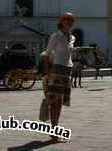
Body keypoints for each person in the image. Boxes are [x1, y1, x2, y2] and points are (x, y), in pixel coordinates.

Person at [43, 12, 75, 144]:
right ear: (61, 22)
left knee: (60, 103)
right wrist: (47, 72)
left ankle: (54, 133)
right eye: (66, 19)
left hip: (67, 72)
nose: (69, 22)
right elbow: (47, 54)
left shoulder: (72, 37)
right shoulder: (55, 36)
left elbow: (69, 55)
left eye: (71, 20)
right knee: (54, 103)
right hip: (56, 71)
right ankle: (53, 134)